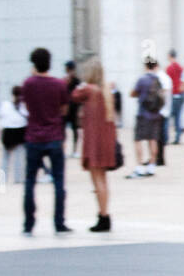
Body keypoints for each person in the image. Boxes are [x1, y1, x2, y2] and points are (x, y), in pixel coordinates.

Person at [20, 47, 71, 235]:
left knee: (29, 181)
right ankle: (59, 221)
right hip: (54, 135)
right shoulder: (58, 84)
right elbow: (64, 110)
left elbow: (26, 106)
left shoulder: (28, 84)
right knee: (58, 180)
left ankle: (29, 222)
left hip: (34, 136)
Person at [71, 57, 117, 231]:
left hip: (94, 141)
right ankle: (105, 214)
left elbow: (74, 96)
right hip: (105, 141)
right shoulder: (106, 92)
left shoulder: (89, 90)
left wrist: (80, 84)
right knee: (103, 180)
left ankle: (102, 216)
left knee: (96, 179)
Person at [127, 56, 165, 177]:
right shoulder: (158, 80)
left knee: (138, 140)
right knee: (153, 140)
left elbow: (133, 93)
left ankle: (139, 166)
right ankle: (151, 166)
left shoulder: (142, 80)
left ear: (145, 66)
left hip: (143, 113)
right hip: (156, 113)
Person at [0, 85, 28, 185]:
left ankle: (2, 179)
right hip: (20, 131)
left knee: (5, 157)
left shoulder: (5, 104)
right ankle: (18, 178)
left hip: (8, 131)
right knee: (19, 156)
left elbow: (1, 117)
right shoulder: (24, 106)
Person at [166, 49, 184, 144]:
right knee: (178, 116)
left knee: (168, 117)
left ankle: (166, 137)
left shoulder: (169, 68)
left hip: (173, 94)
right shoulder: (180, 67)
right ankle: (178, 136)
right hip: (180, 94)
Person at [64, 60, 81, 157]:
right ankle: (65, 150)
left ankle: (75, 150)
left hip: (74, 108)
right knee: (64, 131)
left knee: (75, 130)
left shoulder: (77, 81)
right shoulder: (64, 80)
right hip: (67, 108)